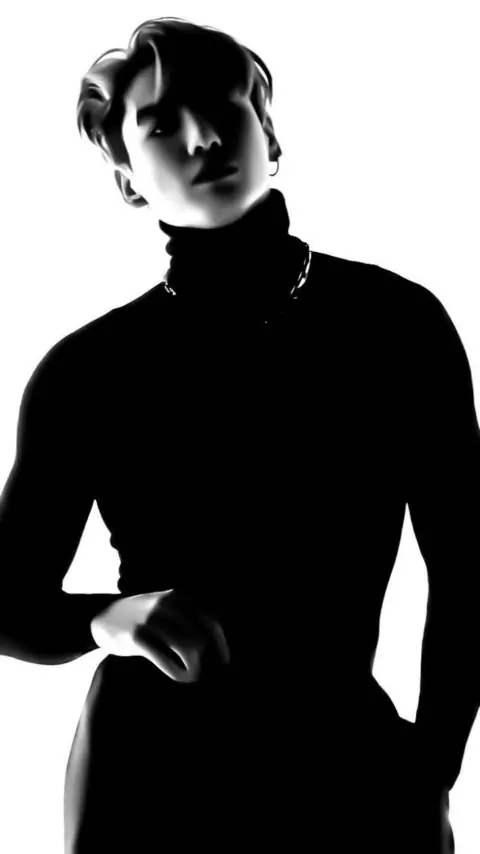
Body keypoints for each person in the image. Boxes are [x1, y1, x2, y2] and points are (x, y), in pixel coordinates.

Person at [0, 14, 475, 852]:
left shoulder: (398, 325)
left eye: (225, 107)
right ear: (127, 179)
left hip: (351, 775)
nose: (204, 137)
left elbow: (472, 564)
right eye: (161, 125)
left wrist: (431, 764)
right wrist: (106, 618)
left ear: (270, 133)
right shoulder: (87, 370)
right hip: (146, 788)